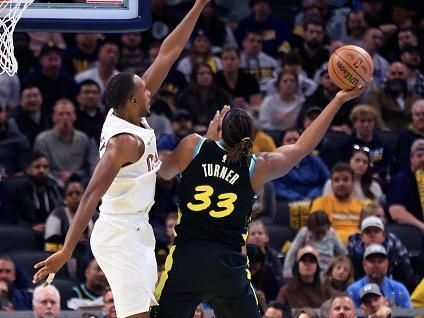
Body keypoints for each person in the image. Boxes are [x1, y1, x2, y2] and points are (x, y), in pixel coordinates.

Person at [32, 1, 211, 318]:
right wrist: (67, 249)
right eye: (144, 91)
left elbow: (167, 54)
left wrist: (197, 6)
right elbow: (90, 194)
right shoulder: (122, 143)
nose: (149, 92)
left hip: (137, 228)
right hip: (119, 235)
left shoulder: (127, 111)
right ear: (132, 100)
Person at [155, 81, 368, 317]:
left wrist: (207, 140)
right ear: (252, 137)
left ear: (219, 130)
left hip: (187, 259)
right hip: (228, 265)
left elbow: (163, 173)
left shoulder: (192, 146)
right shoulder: (257, 167)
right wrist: (338, 99)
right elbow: (301, 147)